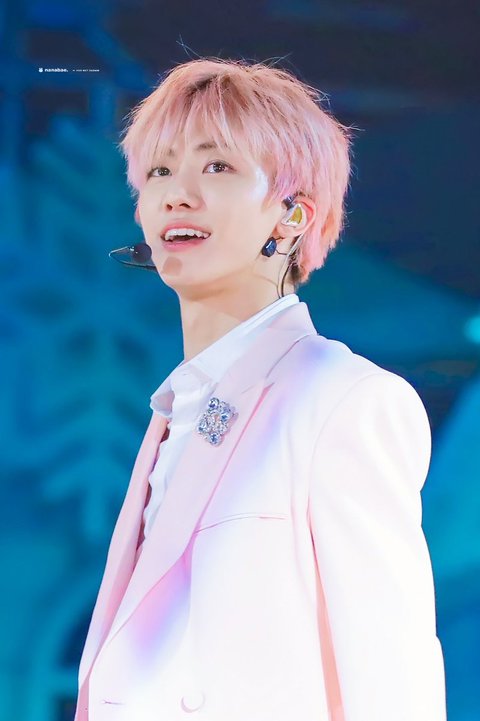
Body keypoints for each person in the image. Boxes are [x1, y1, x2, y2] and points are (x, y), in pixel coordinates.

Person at [74, 57, 447, 721]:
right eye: (159, 171)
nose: (177, 194)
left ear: (292, 215)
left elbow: (390, 675)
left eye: (217, 166)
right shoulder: (175, 411)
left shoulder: (341, 399)